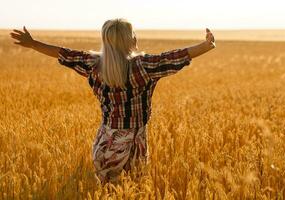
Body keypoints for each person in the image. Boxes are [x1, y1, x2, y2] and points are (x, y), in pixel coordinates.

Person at [10, 18, 215, 184]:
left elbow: (64, 54)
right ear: (132, 40)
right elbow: (173, 57)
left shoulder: (93, 64)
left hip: (106, 142)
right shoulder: (143, 67)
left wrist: (33, 44)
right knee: (134, 189)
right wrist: (206, 45)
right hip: (134, 142)